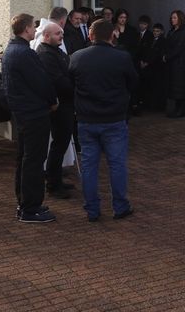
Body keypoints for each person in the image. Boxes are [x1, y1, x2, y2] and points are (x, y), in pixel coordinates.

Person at [68, 19, 138, 222]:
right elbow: (134, 83)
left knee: (89, 166)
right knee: (117, 165)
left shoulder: (77, 57)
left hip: (86, 120)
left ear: (90, 36)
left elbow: (70, 83)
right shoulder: (122, 58)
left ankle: (92, 210)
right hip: (114, 119)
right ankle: (120, 207)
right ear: (112, 35)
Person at [3, 13, 58, 223]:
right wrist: (52, 100)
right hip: (34, 114)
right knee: (34, 161)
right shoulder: (24, 53)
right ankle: (30, 208)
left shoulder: (11, 50)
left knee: (25, 159)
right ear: (26, 29)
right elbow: (41, 82)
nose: (35, 30)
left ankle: (24, 203)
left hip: (22, 113)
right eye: (33, 26)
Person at [36, 21, 75, 199]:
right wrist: (75, 87)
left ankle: (56, 179)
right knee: (58, 144)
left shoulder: (55, 51)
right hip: (59, 105)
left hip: (65, 103)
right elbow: (59, 81)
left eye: (61, 33)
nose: (61, 36)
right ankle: (53, 184)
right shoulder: (45, 54)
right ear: (46, 36)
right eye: (57, 34)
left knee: (61, 143)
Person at [164, 10, 185, 118]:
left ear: (180, 18)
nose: (172, 20)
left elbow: (179, 47)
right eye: (172, 18)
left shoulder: (184, 31)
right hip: (171, 62)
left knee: (180, 86)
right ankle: (175, 108)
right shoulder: (171, 31)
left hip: (180, 63)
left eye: (175, 18)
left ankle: (181, 109)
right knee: (173, 86)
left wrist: (168, 56)